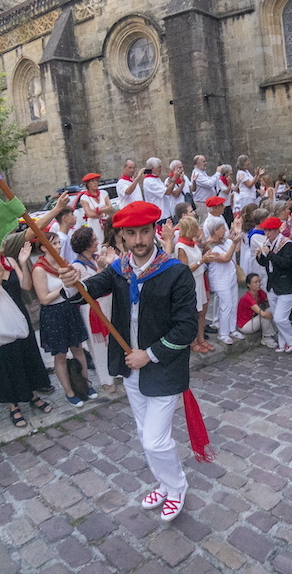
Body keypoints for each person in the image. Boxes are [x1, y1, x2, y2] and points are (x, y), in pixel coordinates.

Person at [58, 201, 198, 522]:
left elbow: (187, 327)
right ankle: (164, 483)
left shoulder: (175, 272)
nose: (139, 241)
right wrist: (71, 283)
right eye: (131, 234)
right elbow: (89, 291)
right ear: (121, 237)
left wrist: (147, 354)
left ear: (154, 231)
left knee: (155, 438)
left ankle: (177, 487)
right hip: (129, 368)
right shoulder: (119, 269)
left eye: (145, 232)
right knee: (143, 433)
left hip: (163, 368)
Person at [0, 239, 56, 429]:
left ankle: (33, 396)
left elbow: (26, 286)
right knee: (7, 361)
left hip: (19, 316)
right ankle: (13, 405)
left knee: (27, 355)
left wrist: (22, 263)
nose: (3, 241)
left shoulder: (10, 261)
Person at [31, 232, 91, 406]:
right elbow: (44, 298)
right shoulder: (39, 269)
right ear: (43, 247)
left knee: (78, 348)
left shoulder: (62, 263)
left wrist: (75, 278)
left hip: (69, 308)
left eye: (58, 243)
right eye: (54, 243)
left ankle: (85, 384)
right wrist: (65, 286)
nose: (58, 246)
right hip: (53, 314)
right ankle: (69, 391)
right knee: (61, 355)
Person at [71, 227, 118, 393]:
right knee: (98, 345)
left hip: (108, 301)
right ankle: (106, 379)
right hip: (92, 308)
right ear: (85, 244)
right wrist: (100, 270)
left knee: (114, 340)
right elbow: (84, 289)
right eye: (93, 240)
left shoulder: (98, 258)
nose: (97, 242)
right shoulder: (78, 266)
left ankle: (116, 370)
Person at [256, 216, 292, 353]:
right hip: (272, 284)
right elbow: (265, 263)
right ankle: (282, 341)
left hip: (286, 285)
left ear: (276, 230)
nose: (266, 234)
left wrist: (270, 254)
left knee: (280, 318)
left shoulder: (286, 244)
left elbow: (286, 263)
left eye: (269, 231)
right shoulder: (268, 243)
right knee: (276, 317)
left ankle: (291, 339)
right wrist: (260, 256)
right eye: (265, 231)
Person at [202, 215, 241, 345]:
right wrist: (234, 242)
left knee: (234, 303)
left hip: (230, 276)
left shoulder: (224, 241)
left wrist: (237, 231)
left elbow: (236, 246)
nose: (225, 230)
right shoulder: (209, 246)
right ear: (215, 230)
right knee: (226, 305)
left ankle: (231, 328)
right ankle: (223, 333)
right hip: (220, 279)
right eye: (222, 228)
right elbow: (225, 258)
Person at [175, 217, 212, 354]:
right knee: (193, 313)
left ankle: (201, 337)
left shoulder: (192, 243)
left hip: (200, 279)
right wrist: (202, 261)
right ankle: (192, 341)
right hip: (190, 282)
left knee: (202, 311)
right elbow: (184, 269)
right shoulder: (181, 247)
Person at [237, 273, 278, 347]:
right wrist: (275, 314)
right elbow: (262, 314)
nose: (258, 284)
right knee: (264, 317)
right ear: (249, 285)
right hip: (245, 325)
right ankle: (266, 337)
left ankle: (275, 332)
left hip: (253, 320)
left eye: (259, 281)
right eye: (255, 282)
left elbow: (269, 300)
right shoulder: (247, 298)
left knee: (273, 309)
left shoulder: (260, 292)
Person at [76, 173, 114, 245]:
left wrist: (96, 210)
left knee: (109, 240)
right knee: (97, 242)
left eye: (96, 181)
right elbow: (89, 214)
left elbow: (110, 207)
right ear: (88, 184)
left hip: (106, 222)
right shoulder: (84, 197)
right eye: (92, 181)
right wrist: (102, 212)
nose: (95, 183)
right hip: (94, 224)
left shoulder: (103, 193)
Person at [190, 155, 215, 220]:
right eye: (203, 161)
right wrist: (217, 174)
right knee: (204, 222)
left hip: (206, 203)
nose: (205, 163)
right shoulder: (197, 174)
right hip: (202, 203)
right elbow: (210, 184)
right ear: (198, 163)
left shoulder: (202, 172)